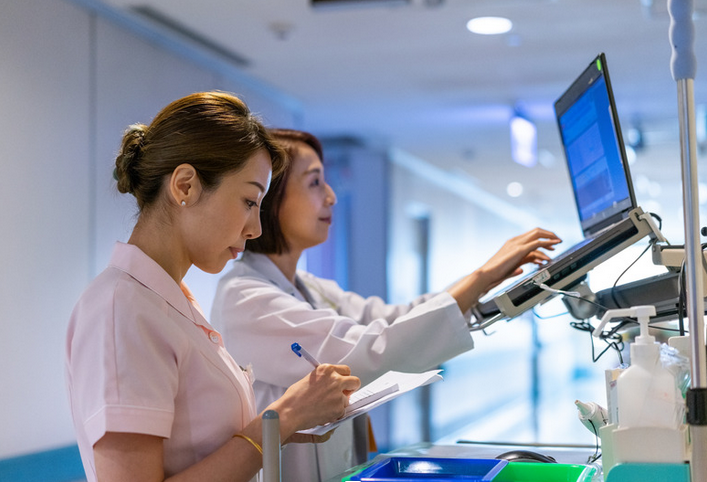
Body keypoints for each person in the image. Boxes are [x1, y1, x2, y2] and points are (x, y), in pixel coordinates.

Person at [210, 128, 562, 481]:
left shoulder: (309, 288)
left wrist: (484, 281)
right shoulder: (246, 298)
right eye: (315, 182)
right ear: (269, 198)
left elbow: (394, 319)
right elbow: (374, 350)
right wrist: (482, 276)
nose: (331, 197)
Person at [65, 95, 361, 482]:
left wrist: (295, 416)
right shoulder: (123, 309)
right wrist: (282, 418)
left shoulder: (171, 302)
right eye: (249, 201)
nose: (255, 228)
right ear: (185, 186)